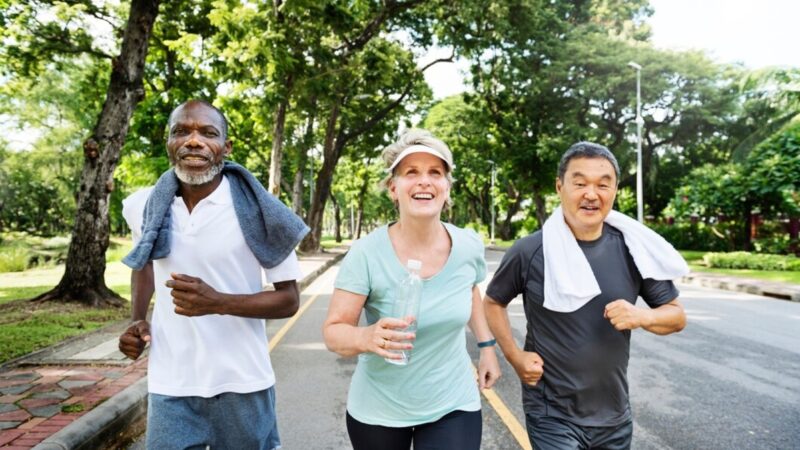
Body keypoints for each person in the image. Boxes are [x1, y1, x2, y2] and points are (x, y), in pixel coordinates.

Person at [117, 99, 309, 450]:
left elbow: (289, 300)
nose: (194, 141)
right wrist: (136, 319)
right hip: (170, 382)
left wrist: (218, 302)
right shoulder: (142, 205)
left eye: (208, 133)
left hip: (242, 382)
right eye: (181, 132)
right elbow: (145, 262)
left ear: (225, 147)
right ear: (169, 143)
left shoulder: (262, 212)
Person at [484, 142, 687, 450]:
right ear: (560, 187)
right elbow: (493, 302)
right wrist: (514, 356)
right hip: (552, 412)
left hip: (614, 415)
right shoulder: (530, 251)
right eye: (580, 184)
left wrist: (642, 316)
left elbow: (676, 316)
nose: (591, 194)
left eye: (603, 185)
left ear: (615, 190)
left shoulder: (633, 250)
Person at [322, 129, 501, 450]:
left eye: (435, 172)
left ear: (447, 188)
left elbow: (469, 289)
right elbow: (334, 332)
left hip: (452, 401)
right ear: (394, 188)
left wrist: (487, 347)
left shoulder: (468, 244)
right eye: (411, 173)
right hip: (380, 408)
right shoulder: (366, 252)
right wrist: (366, 337)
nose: (424, 181)